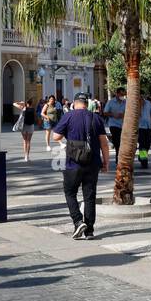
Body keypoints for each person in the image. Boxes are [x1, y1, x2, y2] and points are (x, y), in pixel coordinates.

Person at [50, 95, 110, 240]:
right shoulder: (96, 118)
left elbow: (55, 137)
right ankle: (89, 230)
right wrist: (106, 162)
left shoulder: (68, 116)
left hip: (73, 163)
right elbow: (104, 143)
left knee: (70, 192)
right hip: (93, 162)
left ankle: (78, 222)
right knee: (89, 196)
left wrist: (69, 137)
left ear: (74, 104)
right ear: (87, 104)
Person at [135, 94, 151, 169]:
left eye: (142, 97)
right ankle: (144, 160)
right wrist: (139, 105)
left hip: (148, 127)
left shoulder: (148, 103)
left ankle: (141, 156)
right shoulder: (135, 104)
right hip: (139, 127)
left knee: (148, 143)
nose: (141, 98)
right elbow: (137, 115)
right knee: (142, 144)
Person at [104, 87, 127, 156]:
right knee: (117, 142)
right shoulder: (110, 102)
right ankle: (118, 157)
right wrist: (113, 114)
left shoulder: (126, 102)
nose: (122, 96)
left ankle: (143, 158)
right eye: (121, 94)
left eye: (123, 95)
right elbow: (105, 112)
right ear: (117, 94)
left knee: (123, 142)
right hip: (114, 125)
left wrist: (125, 114)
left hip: (124, 125)